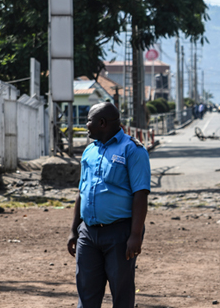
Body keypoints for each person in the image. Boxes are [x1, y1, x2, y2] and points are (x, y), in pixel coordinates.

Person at [67, 102, 151, 308]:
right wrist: (74, 230)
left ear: (102, 123)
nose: (86, 125)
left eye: (89, 120)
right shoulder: (89, 151)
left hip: (119, 234)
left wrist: (135, 235)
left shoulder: (133, 150)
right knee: (86, 293)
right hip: (88, 233)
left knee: (121, 293)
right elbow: (82, 191)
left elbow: (140, 194)